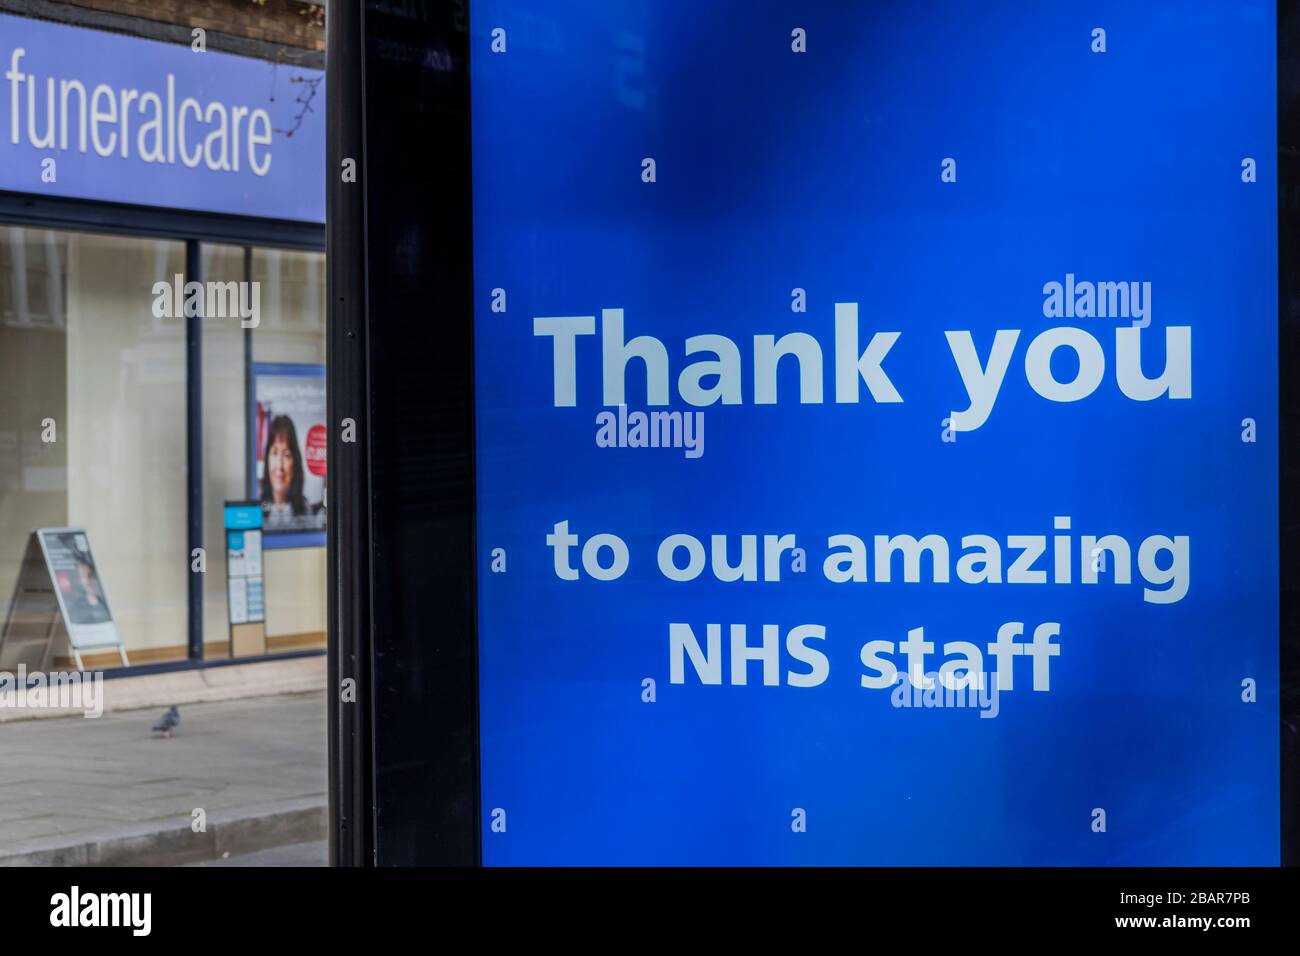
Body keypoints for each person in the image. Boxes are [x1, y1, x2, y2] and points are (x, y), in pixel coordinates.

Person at [260, 415, 309, 523]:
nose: (280, 466)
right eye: (275, 453)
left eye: (286, 455)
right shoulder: (257, 509)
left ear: (295, 461)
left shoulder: (306, 510)